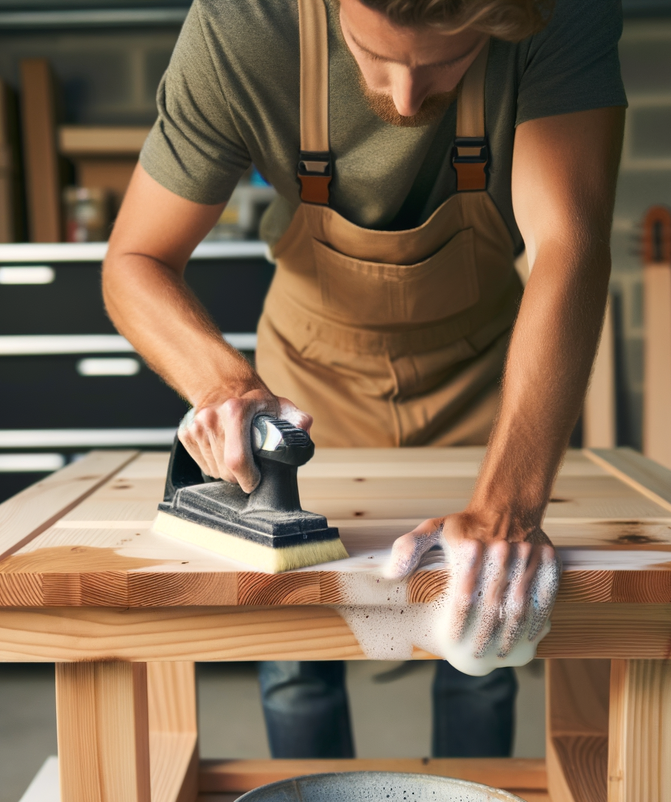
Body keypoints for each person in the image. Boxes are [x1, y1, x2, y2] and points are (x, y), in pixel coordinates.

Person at [103, 0, 625, 758]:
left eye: (448, 60)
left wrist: (508, 502)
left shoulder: (560, 11)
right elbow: (135, 260)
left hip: (485, 383)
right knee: (295, 660)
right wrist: (221, 383)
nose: (407, 102)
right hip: (306, 382)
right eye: (376, 58)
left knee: (483, 642)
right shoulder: (242, 26)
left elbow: (570, 246)